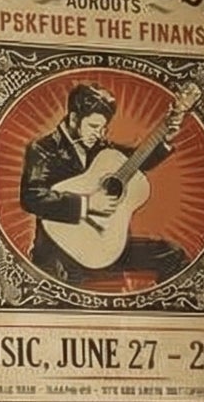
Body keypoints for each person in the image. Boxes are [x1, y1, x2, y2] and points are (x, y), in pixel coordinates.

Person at [18, 81, 189, 286]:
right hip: (62, 251)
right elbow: (32, 197)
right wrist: (87, 204)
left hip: (106, 246)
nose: (99, 134)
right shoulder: (44, 148)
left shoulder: (99, 147)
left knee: (172, 254)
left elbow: (134, 161)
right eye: (93, 126)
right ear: (73, 119)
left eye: (102, 128)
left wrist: (164, 139)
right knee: (65, 283)